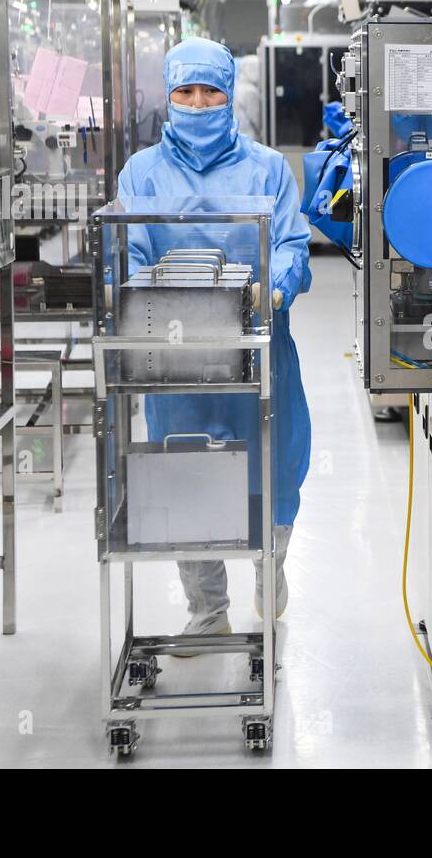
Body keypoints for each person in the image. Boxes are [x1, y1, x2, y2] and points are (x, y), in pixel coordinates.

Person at [118, 37, 311, 638]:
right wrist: (143, 293)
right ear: (169, 97)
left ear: (229, 95)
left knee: (274, 469)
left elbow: (292, 243)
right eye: (186, 92)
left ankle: (270, 565)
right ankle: (207, 613)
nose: (199, 104)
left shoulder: (267, 168)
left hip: (258, 351)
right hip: (175, 359)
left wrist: (273, 288)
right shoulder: (142, 173)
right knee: (187, 472)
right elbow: (128, 249)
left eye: (211, 91)